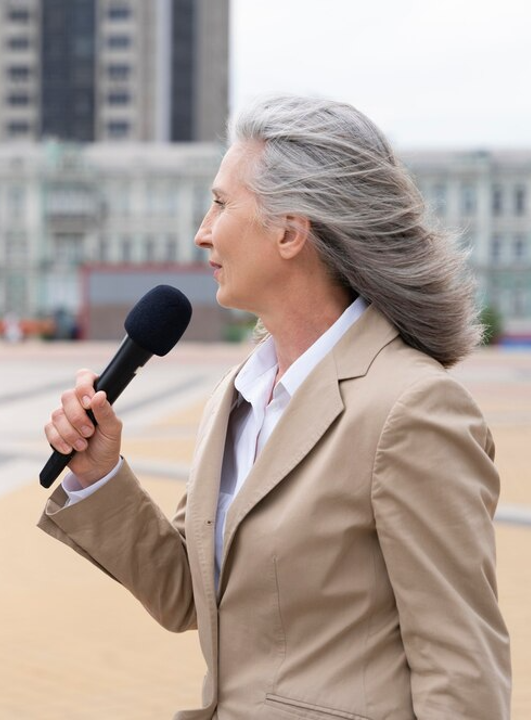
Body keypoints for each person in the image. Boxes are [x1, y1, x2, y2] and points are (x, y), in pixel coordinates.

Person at [38, 95, 511, 718]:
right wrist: (99, 476)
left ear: (290, 231)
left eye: (221, 203)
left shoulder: (413, 409)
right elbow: (190, 593)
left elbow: (464, 677)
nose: (202, 231)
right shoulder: (240, 393)